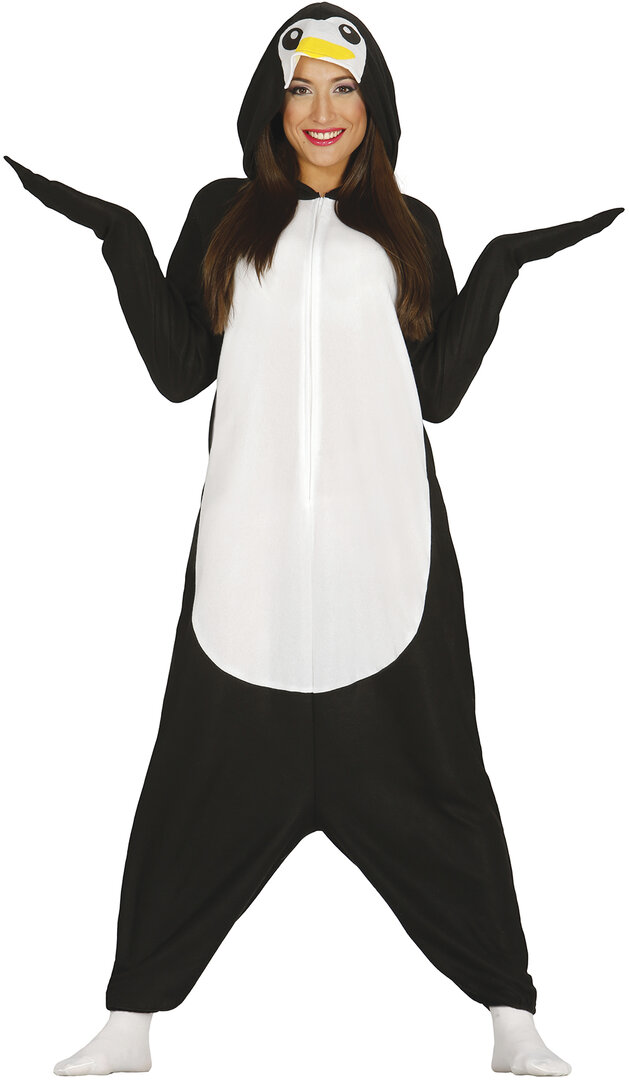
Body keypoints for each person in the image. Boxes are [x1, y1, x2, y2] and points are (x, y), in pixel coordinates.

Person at [4, 3, 622, 1076]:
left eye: (343, 88)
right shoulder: (224, 213)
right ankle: (131, 1022)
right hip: (246, 554)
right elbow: (178, 371)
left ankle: (509, 1016)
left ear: (374, 106)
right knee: (188, 780)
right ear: (271, 102)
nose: (320, 110)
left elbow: (437, 395)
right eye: (300, 88)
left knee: (443, 776)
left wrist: (501, 263)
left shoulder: (407, 225)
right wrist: (120, 236)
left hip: (390, 550)